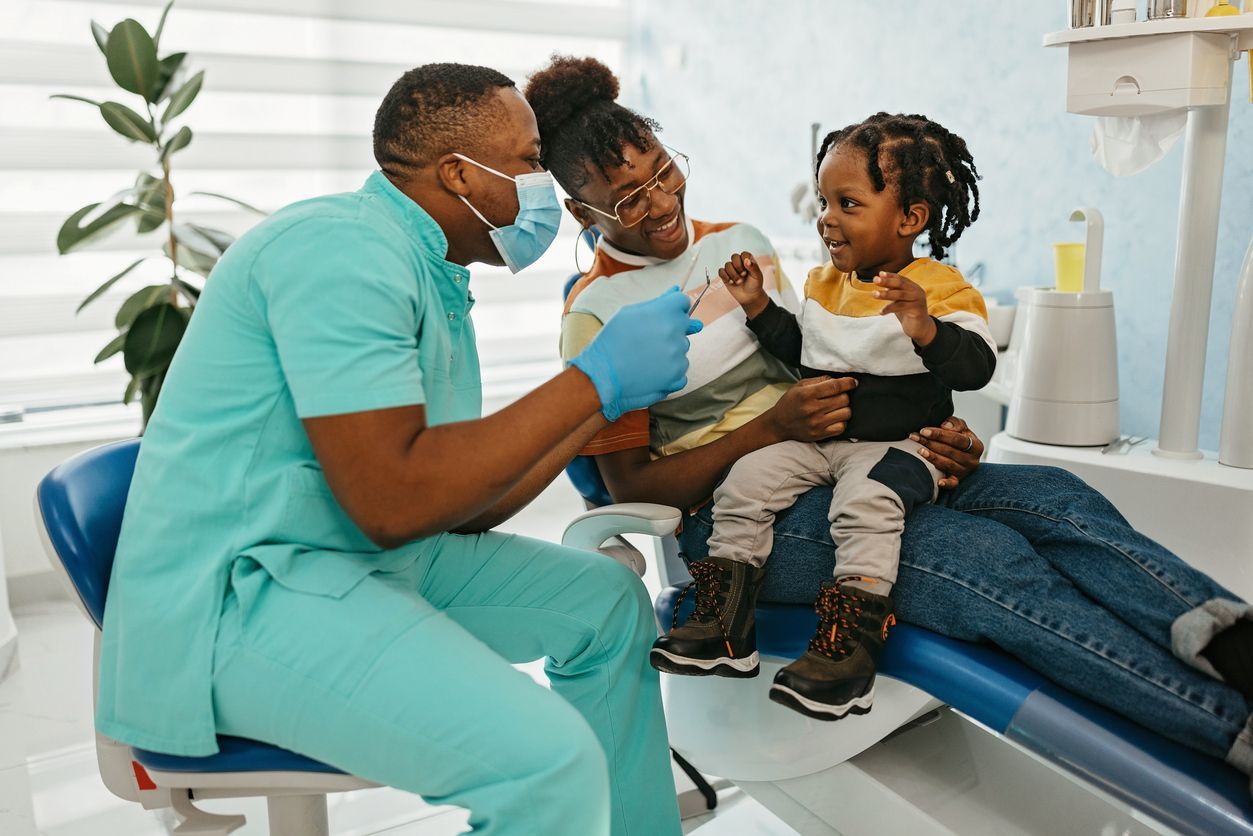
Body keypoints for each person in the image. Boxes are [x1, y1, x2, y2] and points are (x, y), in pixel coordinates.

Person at [527, 54, 1253, 781]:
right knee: (978, 560)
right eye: (627, 197)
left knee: (1058, 499)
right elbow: (629, 489)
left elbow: (823, 353)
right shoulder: (593, 316)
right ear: (579, 212)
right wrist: (768, 429)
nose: (659, 203)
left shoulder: (741, 244)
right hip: (740, 511)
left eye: (662, 172)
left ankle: (1228, 640)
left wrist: (939, 432)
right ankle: (1228, 729)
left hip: (857, 448)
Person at [97, 63, 700, 836]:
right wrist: (591, 382)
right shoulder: (339, 254)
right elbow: (393, 502)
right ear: (459, 175)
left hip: (354, 560)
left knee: (607, 605)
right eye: (525, 161)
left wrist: (608, 399)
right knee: (544, 764)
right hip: (245, 599)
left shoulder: (424, 268)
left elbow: (464, 503)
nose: (542, 182)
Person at [652, 113, 997, 724]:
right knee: (745, 482)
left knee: (863, 505)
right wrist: (759, 306)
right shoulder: (824, 284)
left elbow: (975, 367)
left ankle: (850, 650)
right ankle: (723, 626)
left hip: (900, 447)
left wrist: (924, 326)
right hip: (822, 444)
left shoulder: (936, 287)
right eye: (824, 201)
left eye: (849, 203)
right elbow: (802, 350)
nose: (827, 218)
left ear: (909, 219)